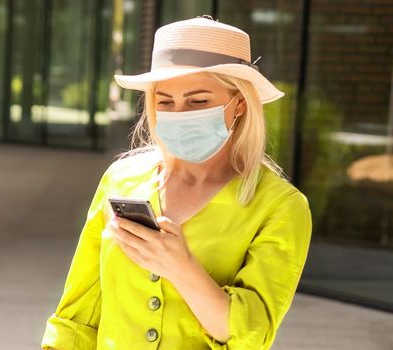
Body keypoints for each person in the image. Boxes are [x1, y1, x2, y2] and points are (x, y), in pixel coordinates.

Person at [41, 16, 312, 349]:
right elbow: (77, 313)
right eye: (164, 101)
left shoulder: (280, 207)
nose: (179, 113)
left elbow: (250, 336)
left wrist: (180, 267)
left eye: (198, 101)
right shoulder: (122, 180)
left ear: (239, 104)